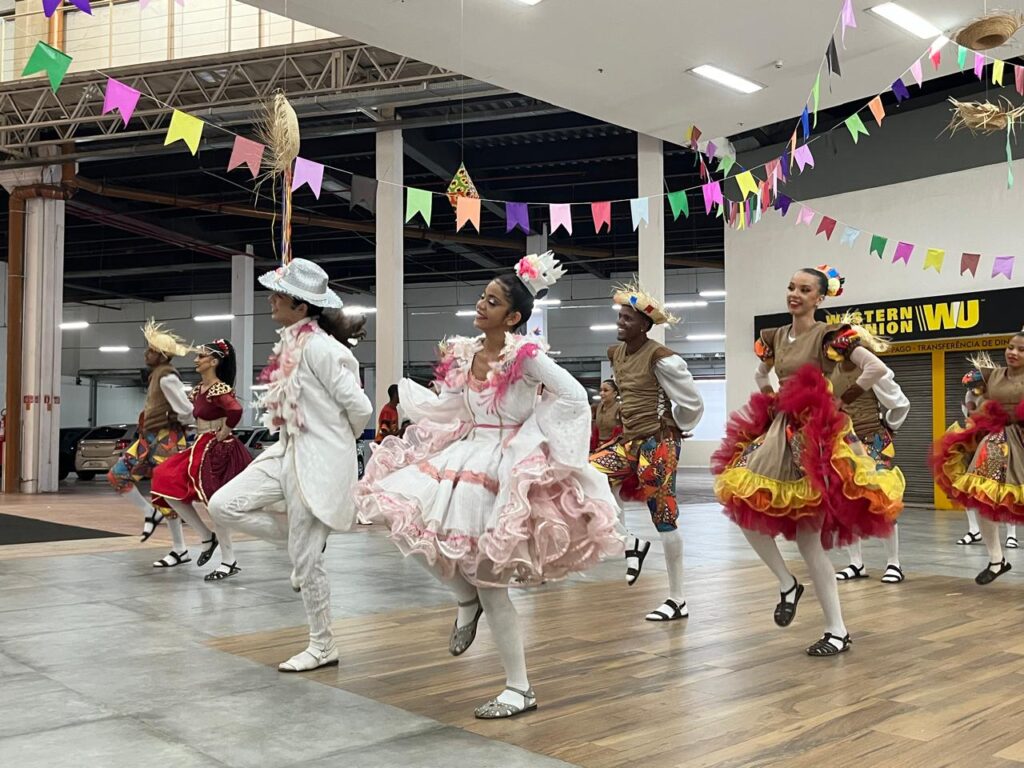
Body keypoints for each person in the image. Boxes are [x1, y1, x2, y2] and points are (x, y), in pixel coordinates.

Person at [355, 252, 622, 719]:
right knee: (408, 528)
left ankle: (519, 688)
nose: (481, 305)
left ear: (513, 317)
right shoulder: (464, 353)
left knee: (492, 582)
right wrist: (422, 413)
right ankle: (465, 600)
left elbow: (573, 395)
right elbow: (453, 405)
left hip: (504, 466)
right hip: (463, 455)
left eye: (493, 301)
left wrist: (535, 436)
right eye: (482, 297)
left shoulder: (525, 356)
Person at [712, 265, 905, 657]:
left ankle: (837, 630)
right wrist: (773, 399)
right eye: (791, 287)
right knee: (741, 504)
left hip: (816, 439)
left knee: (808, 540)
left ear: (819, 298)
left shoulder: (829, 335)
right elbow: (761, 374)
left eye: (804, 289)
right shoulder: (774, 336)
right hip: (779, 434)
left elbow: (876, 368)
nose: (794, 294)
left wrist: (842, 400)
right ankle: (787, 584)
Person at [208, 258, 373, 672]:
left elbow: (361, 408)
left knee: (307, 562)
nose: (271, 299)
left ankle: (323, 645)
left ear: (301, 307)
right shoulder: (291, 344)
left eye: (279, 295)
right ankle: (302, 543)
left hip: (316, 459)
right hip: (286, 450)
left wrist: (335, 442)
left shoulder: (321, 348)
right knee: (222, 505)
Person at [589, 281, 704, 622]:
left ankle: (677, 598)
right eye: (619, 316)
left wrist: (678, 423)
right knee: (588, 475)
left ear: (644, 325)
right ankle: (630, 543)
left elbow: (691, 402)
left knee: (663, 515)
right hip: (629, 441)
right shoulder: (616, 353)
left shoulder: (662, 358)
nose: (620, 322)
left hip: (658, 442)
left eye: (627, 318)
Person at [151, 339, 251, 581]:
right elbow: (191, 414)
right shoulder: (199, 390)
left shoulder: (219, 389)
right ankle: (207, 537)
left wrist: (225, 430)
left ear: (214, 361)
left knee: (215, 504)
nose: (196, 359)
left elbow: (235, 410)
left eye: (201, 356)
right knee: (164, 480)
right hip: (200, 445)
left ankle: (228, 560)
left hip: (217, 449)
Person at [932, 333, 1024, 584]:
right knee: (981, 494)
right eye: (1010, 347)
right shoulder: (991, 375)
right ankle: (996, 559)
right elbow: (972, 399)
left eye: (1021, 350)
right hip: (997, 441)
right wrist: (975, 411)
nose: (1013, 352)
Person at [107, 320, 195, 567]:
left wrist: (180, 425)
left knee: (166, 492)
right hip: (150, 437)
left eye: (152, 350)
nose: (147, 354)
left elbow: (186, 410)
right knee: (118, 475)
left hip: (166, 439)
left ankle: (180, 549)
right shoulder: (157, 376)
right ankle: (150, 513)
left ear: (162, 355)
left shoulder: (167, 377)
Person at [830, 317, 911, 585]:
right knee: (846, 502)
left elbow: (900, 403)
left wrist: (889, 427)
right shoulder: (831, 370)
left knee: (883, 501)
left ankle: (894, 563)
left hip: (873, 440)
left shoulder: (874, 370)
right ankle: (856, 563)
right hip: (844, 443)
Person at [590, 379, 622, 451]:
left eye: (605, 390)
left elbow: (624, 435)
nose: (601, 393)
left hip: (614, 448)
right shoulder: (596, 407)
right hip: (597, 447)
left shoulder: (620, 409)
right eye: (601, 390)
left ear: (615, 393)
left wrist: (604, 446)